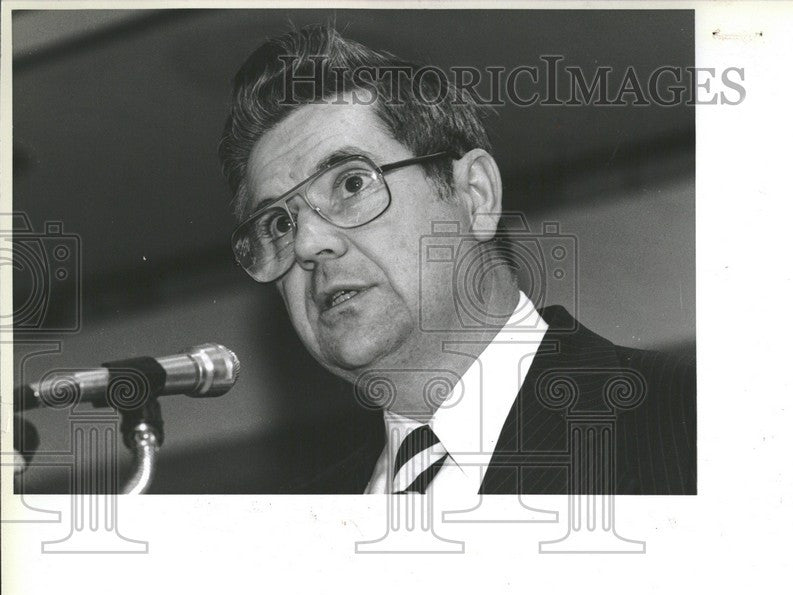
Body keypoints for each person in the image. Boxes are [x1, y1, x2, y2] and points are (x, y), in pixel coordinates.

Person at [218, 24, 695, 496]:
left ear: (475, 195)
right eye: (279, 223)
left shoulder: (690, 422)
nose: (306, 243)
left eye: (350, 185)